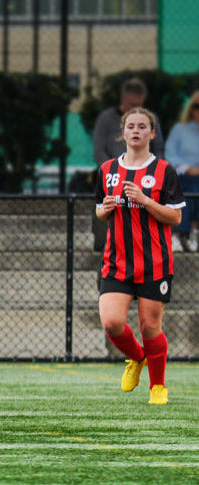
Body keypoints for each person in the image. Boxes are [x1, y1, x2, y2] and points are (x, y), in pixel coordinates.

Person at [95, 108, 183, 406]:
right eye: (130, 126)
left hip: (153, 263)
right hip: (117, 262)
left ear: (152, 133)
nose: (135, 131)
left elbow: (175, 217)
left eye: (142, 126)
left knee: (149, 326)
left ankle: (157, 387)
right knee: (111, 322)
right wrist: (103, 211)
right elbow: (99, 209)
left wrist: (146, 201)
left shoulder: (164, 171)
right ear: (123, 133)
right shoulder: (107, 170)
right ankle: (137, 357)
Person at [93, 78, 165, 166]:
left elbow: (158, 149)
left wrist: (153, 168)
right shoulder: (106, 118)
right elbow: (99, 151)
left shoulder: (150, 118)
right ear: (122, 99)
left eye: (140, 105)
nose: (136, 109)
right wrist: (112, 170)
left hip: (144, 171)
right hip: (114, 171)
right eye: (132, 105)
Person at [164, 91, 199, 252]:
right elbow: (170, 154)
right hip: (183, 174)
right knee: (190, 188)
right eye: (197, 107)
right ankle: (185, 233)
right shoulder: (180, 129)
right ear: (191, 109)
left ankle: (184, 233)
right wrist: (187, 168)